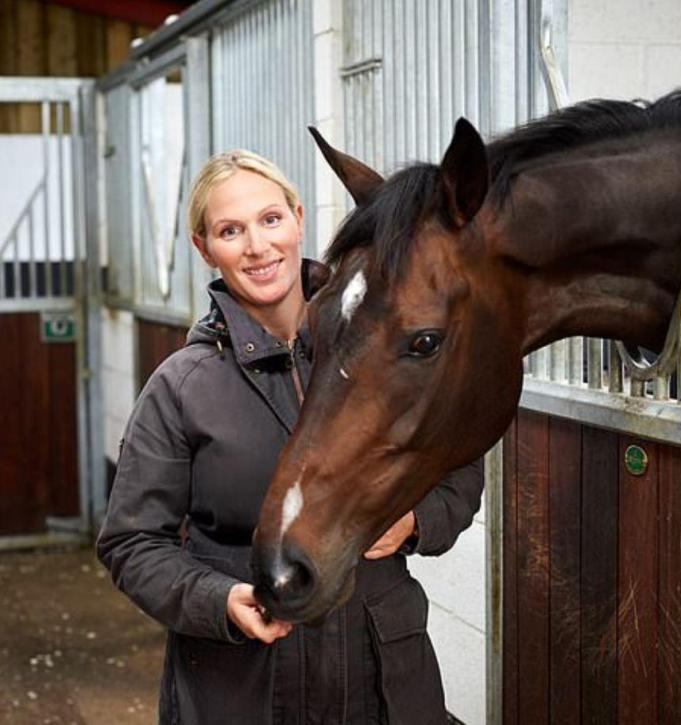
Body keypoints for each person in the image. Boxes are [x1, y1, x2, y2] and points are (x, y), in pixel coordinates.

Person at [96, 149, 484, 724]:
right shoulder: (182, 387)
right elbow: (131, 544)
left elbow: (457, 469)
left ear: (299, 218)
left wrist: (416, 520)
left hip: (384, 683)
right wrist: (218, 600)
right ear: (205, 248)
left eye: (270, 219)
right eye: (231, 230)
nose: (257, 246)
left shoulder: (379, 348)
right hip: (241, 689)